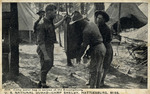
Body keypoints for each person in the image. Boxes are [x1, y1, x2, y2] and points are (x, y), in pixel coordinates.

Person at [71, 11, 106, 88]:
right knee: (98, 69)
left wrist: (79, 56)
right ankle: (97, 87)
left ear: (80, 22)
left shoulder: (86, 30)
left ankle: (92, 89)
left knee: (93, 71)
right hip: (102, 47)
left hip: (97, 49)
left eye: (76, 23)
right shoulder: (92, 23)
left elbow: (84, 45)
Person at [36, 4, 66, 88]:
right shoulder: (42, 24)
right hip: (44, 48)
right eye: (54, 12)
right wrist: (45, 54)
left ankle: (41, 81)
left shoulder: (49, 21)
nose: (56, 14)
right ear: (48, 12)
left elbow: (54, 27)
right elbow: (40, 42)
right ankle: (42, 84)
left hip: (49, 46)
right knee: (45, 65)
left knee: (49, 64)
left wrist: (63, 20)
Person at [95, 10, 113, 86]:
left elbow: (106, 40)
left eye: (100, 18)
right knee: (95, 64)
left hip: (106, 47)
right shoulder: (96, 27)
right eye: (97, 18)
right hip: (98, 46)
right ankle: (92, 80)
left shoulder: (107, 29)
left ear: (104, 20)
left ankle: (102, 81)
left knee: (105, 65)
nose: (98, 20)